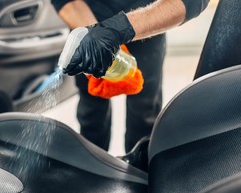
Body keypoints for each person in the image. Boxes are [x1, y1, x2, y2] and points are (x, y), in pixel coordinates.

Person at [51, 0, 210, 152]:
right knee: (91, 112)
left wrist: (119, 29)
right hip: (87, 24)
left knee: (144, 113)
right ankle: (91, 165)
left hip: (148, 22)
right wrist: (95, 33)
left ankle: (139, 171)